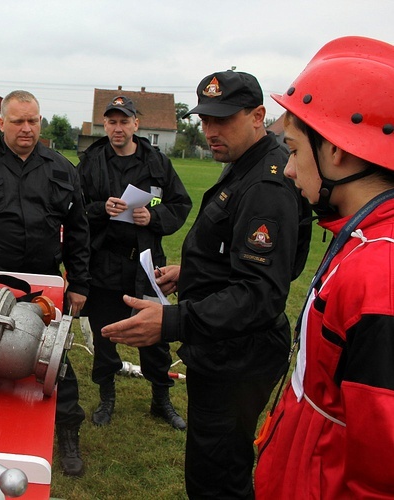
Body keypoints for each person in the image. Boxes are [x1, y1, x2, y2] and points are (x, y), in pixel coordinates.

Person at [100, 70, 311, 498]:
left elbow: (260, 293)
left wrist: (172, 322)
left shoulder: (266, 184)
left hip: (238, 355)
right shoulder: (246, 165)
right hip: (222, 345)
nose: (211, 131)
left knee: (217, 479)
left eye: (223, 120)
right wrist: (191, 273)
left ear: (257, 116)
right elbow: (234, 256)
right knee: (214, 466)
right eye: (205, 120)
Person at [254, 36, 394, 498]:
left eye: (293, 150)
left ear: (336, 150)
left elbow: (381, 474)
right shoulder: (360, 240)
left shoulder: (379, 275)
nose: (289, 170)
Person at [0, 90, 91, 477]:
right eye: (19, 121)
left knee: (54, 358)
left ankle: (68, 430)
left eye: (34, 121)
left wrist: (79, 282)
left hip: (43, 284)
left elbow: (78, 230)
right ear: (1, 123)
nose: (27, 128)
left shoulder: (60, 168)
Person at [77, 96, 192, 429]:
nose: (117, 128)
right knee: (105, 333)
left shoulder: (156, 162)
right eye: (111, 122)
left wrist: (153, 217)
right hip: (105, 264)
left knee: (155, 334)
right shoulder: (92, 161)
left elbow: (180, 204)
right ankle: (106, 396)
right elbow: (73, 206)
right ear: (105, 125)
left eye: (124, 121)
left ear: (135, 125)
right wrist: (100, 209)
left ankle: (161, 400)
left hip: (145, 264)